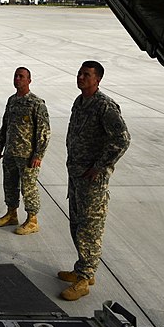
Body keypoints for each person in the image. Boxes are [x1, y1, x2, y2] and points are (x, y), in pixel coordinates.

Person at [60, 60, 130, 301]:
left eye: (87, 75)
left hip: (92, 180)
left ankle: (84, 280)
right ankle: (82, 269)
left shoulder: (105, 106)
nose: (81, 77)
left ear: (97, 80)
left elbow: (122, 140)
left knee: (90, 228)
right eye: (80, 73)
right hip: (77, 176)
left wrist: (100, 166)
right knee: (77, 225)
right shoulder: (80, 103)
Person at [0, 67, 50, 235]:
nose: (18, 79)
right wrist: (0, 143)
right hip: (11, 151)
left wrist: (38, 155)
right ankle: (11, 214)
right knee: (9, 184)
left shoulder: (36, 103)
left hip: (27, 155)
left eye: (21, 76)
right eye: (16, 76)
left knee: (28, 187)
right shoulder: (12, 100)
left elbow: (44, 131)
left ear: (29, 80)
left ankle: (32, 220)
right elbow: (5, 124)